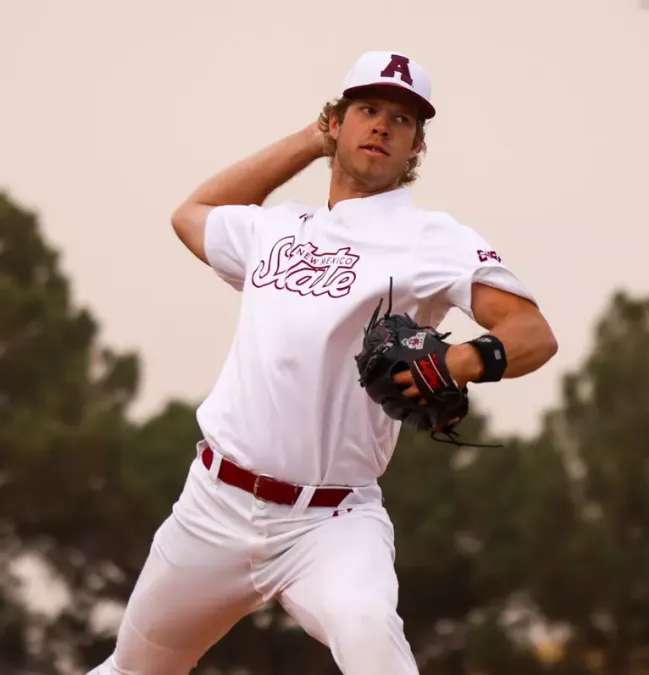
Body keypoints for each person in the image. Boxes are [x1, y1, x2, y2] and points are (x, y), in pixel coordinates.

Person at [87, 50, 558, 675]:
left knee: (368, 636)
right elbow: (190, 216)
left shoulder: (429, 239)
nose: (383, 126)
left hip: (330, 522)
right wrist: (309, 141)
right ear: (337, 121)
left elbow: (534, 333)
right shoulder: (276, 229)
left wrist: (461, 360)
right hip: (214, 506)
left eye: (403, 119)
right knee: (134, 669)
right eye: (367, 110)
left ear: (416, 144)